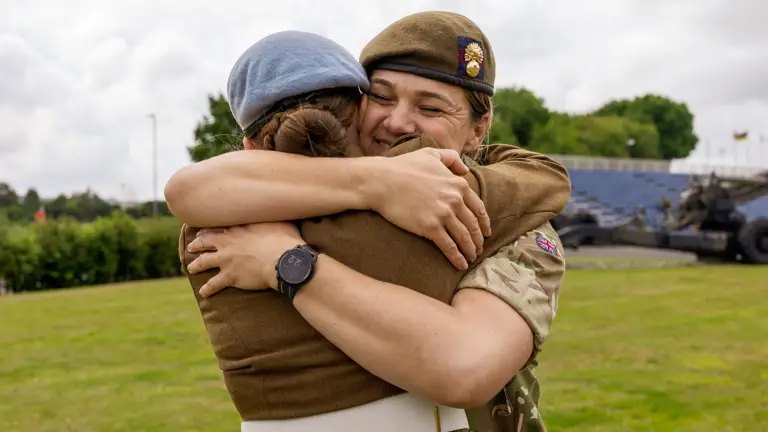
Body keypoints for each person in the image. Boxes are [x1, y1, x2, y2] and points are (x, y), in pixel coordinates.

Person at [166, 13, 569, 432]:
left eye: (430, 107)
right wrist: (378, 182)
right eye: (381, 97)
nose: (396, 122)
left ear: (477, 130)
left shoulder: (518, 223)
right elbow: (186, 190)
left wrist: (284, 260)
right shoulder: (251, 203)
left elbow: (464, 367)